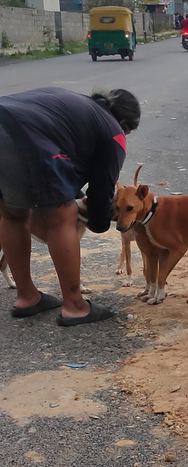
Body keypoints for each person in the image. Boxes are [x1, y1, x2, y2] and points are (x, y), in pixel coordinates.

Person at [0, 88, 140, 326]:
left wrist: (77, 194)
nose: (125, 135)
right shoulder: (114, 130)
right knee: (62, 217)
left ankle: (27, 297)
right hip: (23, 133)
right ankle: (75, 306)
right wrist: (100, 220)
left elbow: (66, 163)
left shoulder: (81, 108)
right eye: (128, 131)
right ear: (124, 123)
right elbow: (102, 188)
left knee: (13, 214)